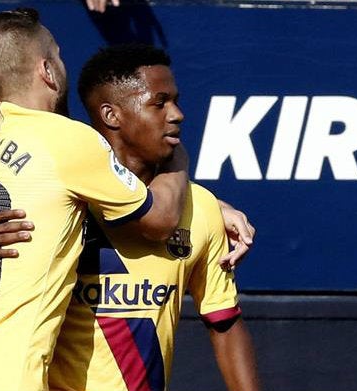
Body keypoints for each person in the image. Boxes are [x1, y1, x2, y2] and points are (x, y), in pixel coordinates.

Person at [0, 9, 190, 391]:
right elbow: (160, 218)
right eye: (59, 56)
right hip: (8, 379)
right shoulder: (69, 142)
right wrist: (177, 158)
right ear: (47, 70)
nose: (64, 65)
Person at [47, 44, 260, 391]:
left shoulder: (201, 207)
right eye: (159, 103)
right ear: (112, 116)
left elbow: (224, 322)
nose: (177, 114)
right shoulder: (61, 199)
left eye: (175, 101)